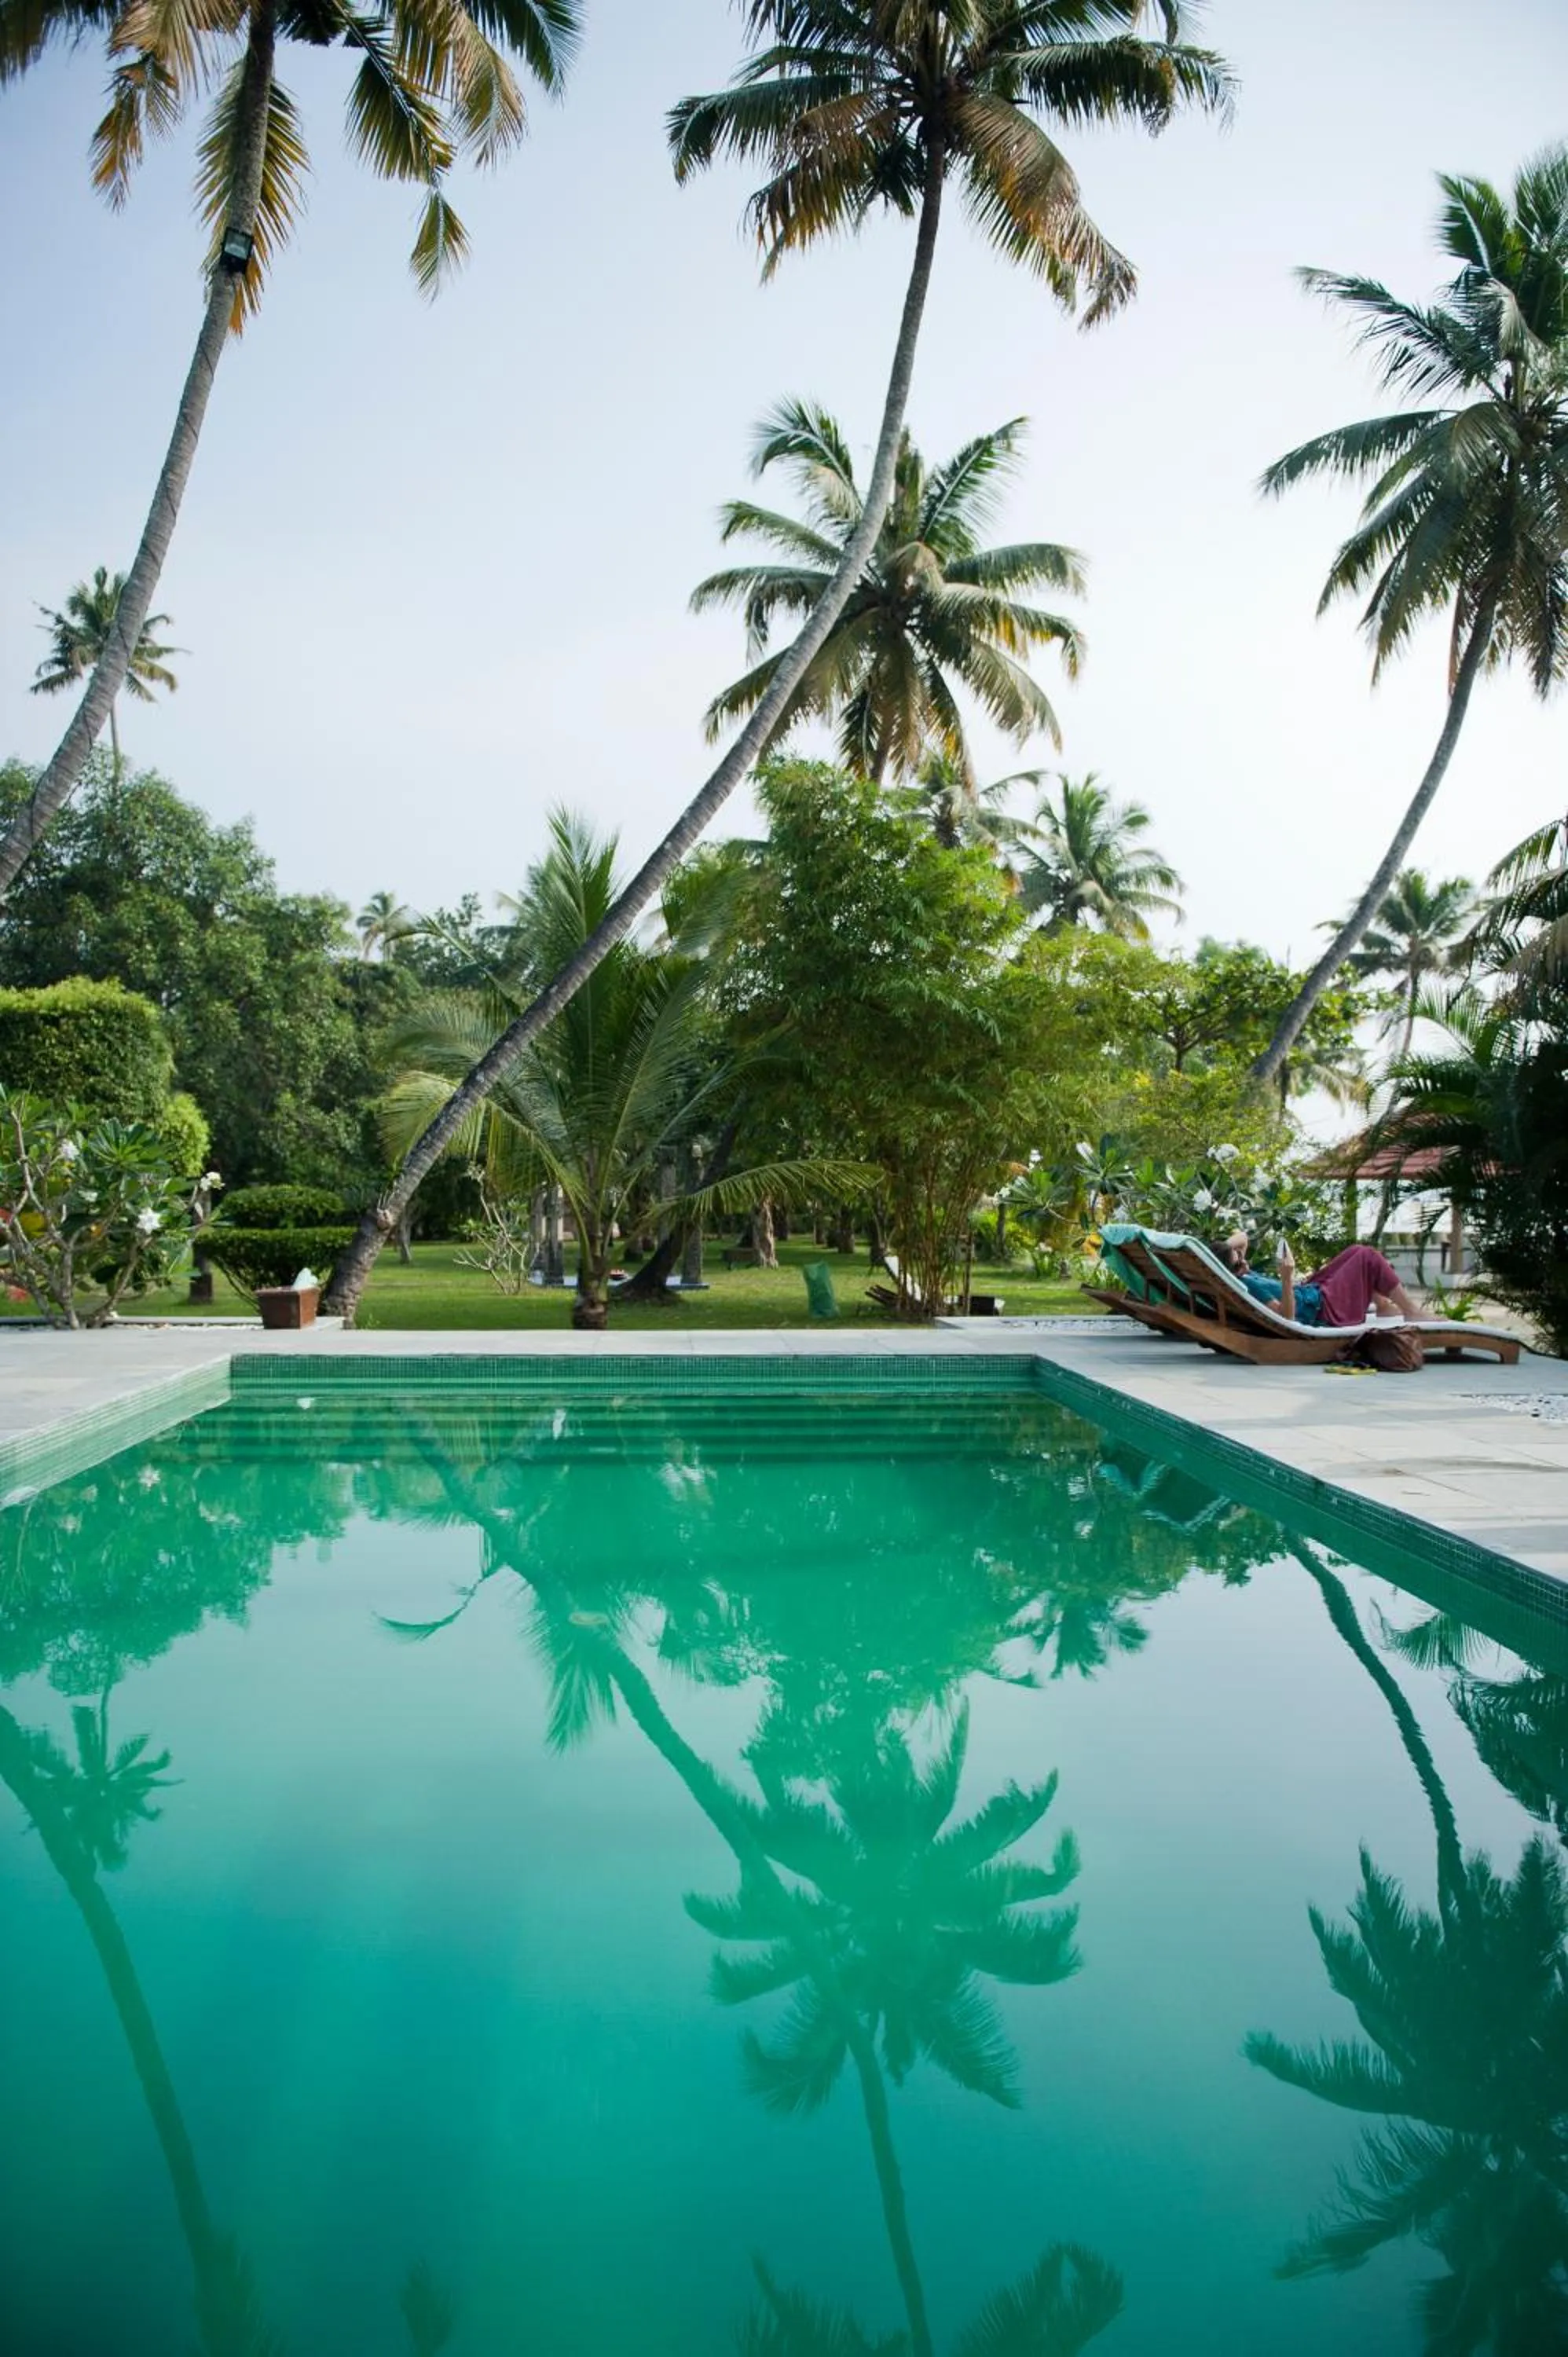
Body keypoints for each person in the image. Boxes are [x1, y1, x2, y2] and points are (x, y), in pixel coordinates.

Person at [1213, 1232, 1419, 1328]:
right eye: (1239, 1260)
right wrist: (1286, 1277)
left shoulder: (1239, 1276)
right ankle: (1411, 1311)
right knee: (1367, 1256)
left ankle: (1382, 1305)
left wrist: (1222, 1253)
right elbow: (1287, 1319)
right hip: (1323, 1307)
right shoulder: (1250, 1285)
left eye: (1240, 1254)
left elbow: (1242, 1237)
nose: (1245, 1260)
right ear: (1232, 1271)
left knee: (1356, 1251)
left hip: (1312, 1291)